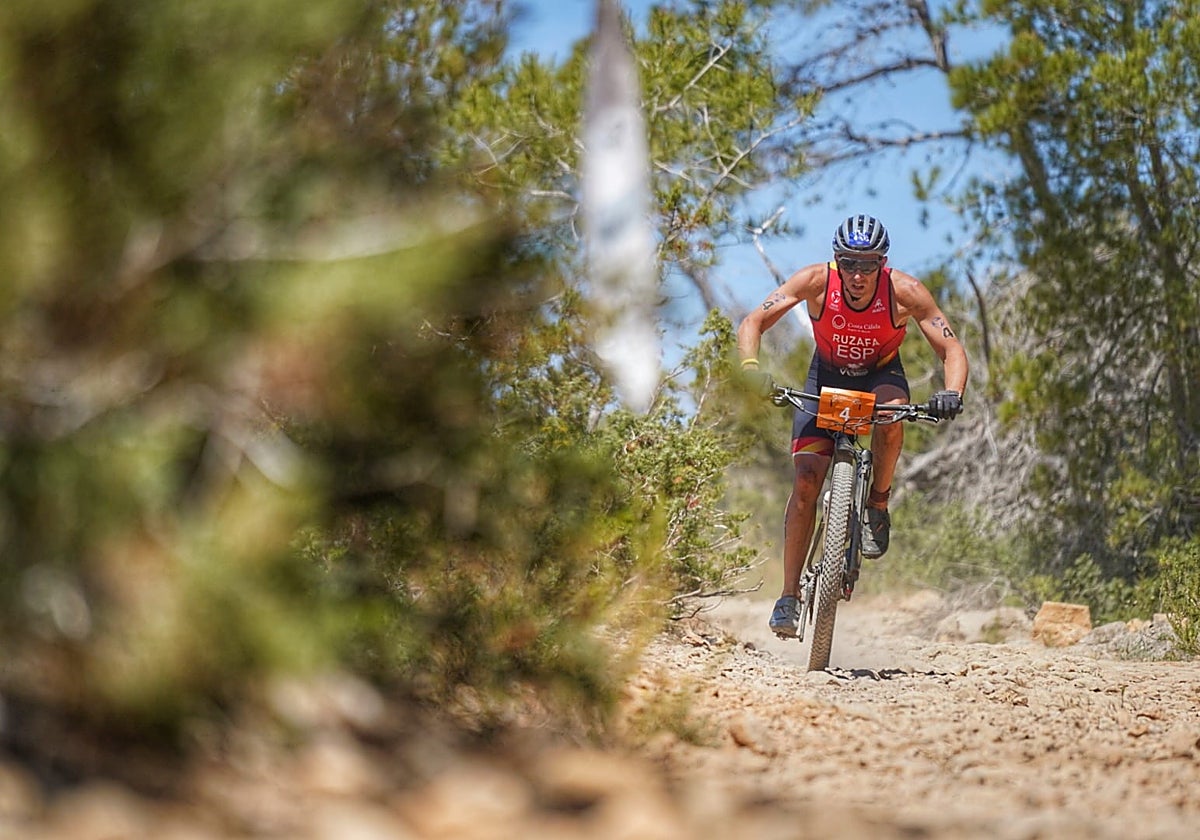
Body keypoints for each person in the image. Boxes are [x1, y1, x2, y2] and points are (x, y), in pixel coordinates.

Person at [737, 214, 969, 638]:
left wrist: (952, 392)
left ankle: (877, 504)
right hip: (824, 376)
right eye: (848, 263)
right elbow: (753, 321)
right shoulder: (814, 282)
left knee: (891, 412)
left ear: (883, 263)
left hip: (880, 375)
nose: (858, 275)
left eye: (868, 264)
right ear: (836, 261)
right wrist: (751, 368)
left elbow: (950, 346)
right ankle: (788, 597)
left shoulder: (905, 292)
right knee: (806, 482)